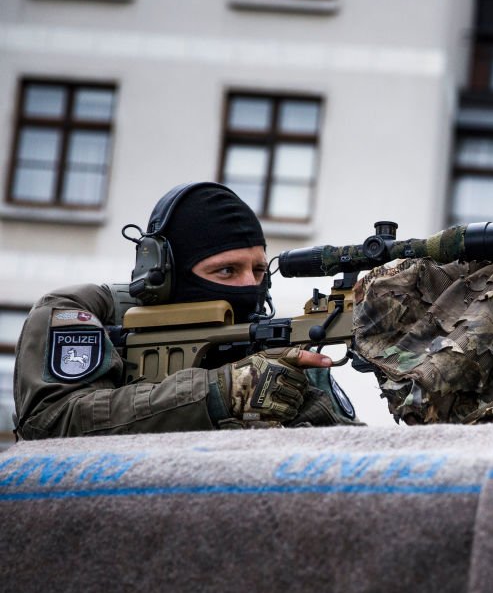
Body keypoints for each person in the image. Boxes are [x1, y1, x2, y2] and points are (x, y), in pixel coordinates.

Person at [12, 181, 359, 439]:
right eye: (226, 270)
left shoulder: (269, 350)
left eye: (257, 271)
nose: (248, 287)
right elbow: (51, 421)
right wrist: (217, 393)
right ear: (164, 274)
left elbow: (347, 453)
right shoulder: (83, 312)